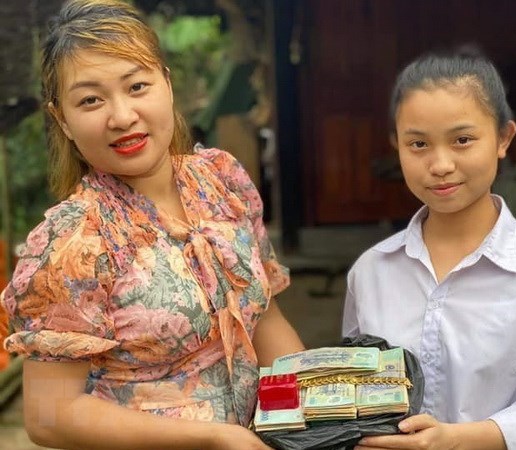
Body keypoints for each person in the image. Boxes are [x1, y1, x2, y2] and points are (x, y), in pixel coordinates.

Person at [0, 1, 304, 449]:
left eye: (137, 86)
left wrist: (312, 416)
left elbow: (266, 320)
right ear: (62, 119)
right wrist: (214, 439)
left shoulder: (222, 181)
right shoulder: (71, 242)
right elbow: (50, 416)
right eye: (91, 100)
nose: (122, 116)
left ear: (167, 82)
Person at [343, 47, 516, 450]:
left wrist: (455, 440)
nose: (440, 164)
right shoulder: (371, 271)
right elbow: (357, 397)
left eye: (462, 140)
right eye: (418, 144)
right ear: (397, 146)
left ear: (503, 138)